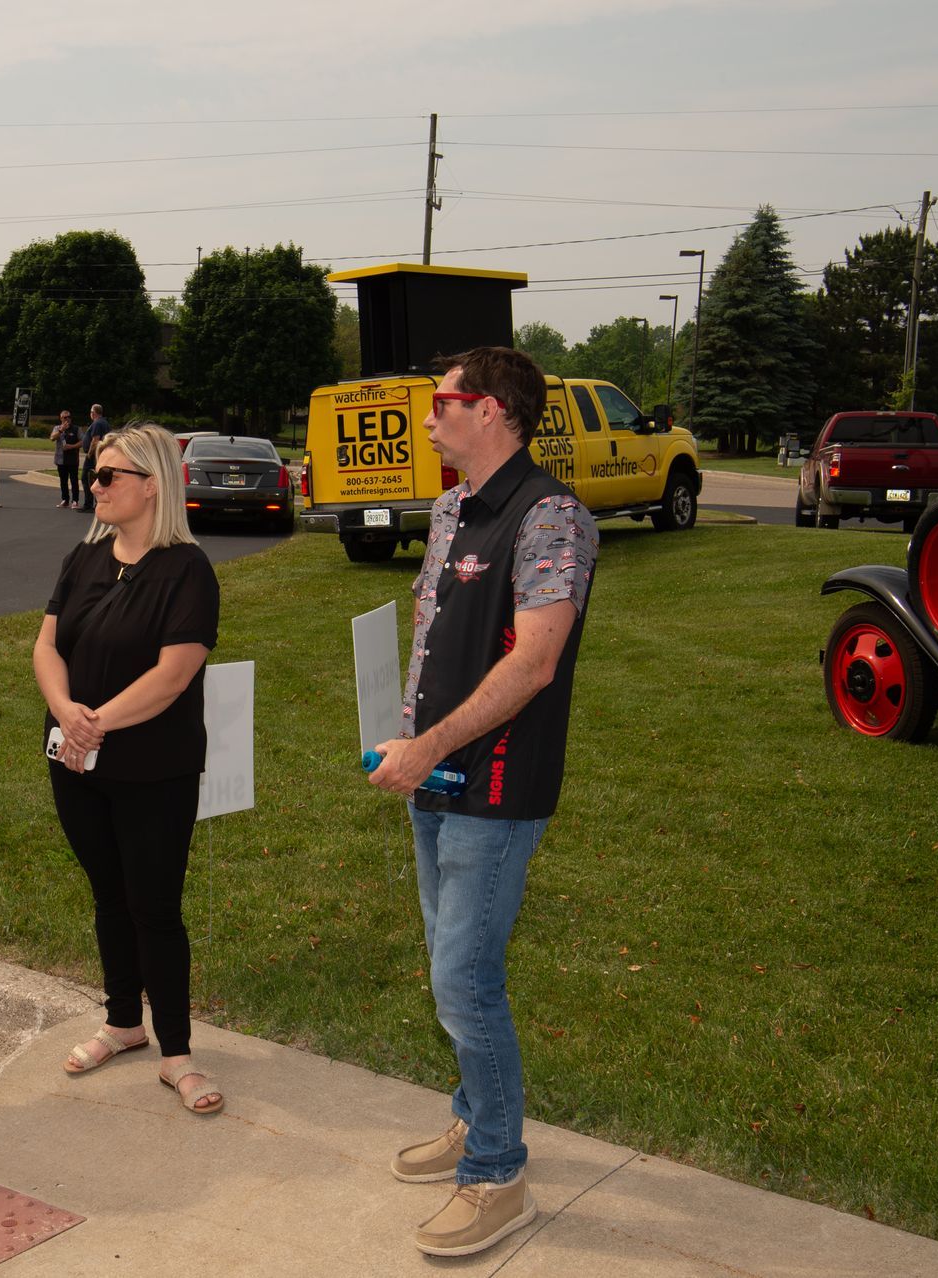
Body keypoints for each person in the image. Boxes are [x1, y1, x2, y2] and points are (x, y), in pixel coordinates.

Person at [365, 348, 597, 1258]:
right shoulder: (451, 508)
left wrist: (429, 746)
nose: (427, 418)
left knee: (464, 981)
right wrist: (408, 739)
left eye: (442, 402)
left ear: (492, 409)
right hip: (434, 776)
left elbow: (533, 662)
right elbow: (439, 639)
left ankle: (498, 1172)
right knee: (447, 963)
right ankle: (473, 1113)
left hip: (496, 789)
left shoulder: (550, 516)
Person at [32, 424, 224, 1115]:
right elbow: (47, 647)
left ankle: (177, 1054)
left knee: (155, 907)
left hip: (153, 769)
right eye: (95, 472)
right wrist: (66, 713)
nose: (95, 485)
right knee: (107, 894)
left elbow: (174, 675)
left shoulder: (188, 571)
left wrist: (94, 722)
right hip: (75, 763)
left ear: (152, 485)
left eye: (109, 475)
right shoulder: (83, 558)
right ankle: (122, 1023)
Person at [78, 402, 111, 512]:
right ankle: (97, 503)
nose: (90, 414)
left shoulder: (97, 423)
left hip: (93, 456)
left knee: (86, 478)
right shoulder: (105, 423)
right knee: (97, 478)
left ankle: (88, 504)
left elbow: (95, 440)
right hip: (101, 455)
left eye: (91, 412)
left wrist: (89, 454)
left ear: (94, 413)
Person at [50, 409, 82, 508]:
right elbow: (52, 438)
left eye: (69, 417)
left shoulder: (76, 429)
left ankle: (75, 501)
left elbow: (83, 441)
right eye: (65, 417)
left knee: (74, 480)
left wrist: (72, 446)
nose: (67, 419)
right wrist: (61, 430)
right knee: (63, 481)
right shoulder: (57, 428)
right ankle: (65, 500)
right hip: (61, 459)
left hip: (73, 459)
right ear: (61, 419)